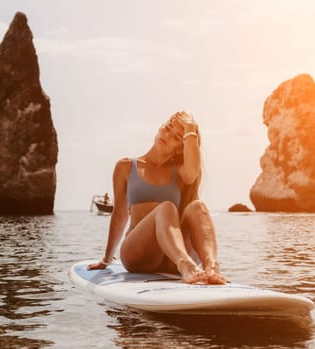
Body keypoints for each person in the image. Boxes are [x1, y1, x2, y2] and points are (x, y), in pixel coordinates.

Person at [88, 111, 227, 284]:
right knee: (166, 207)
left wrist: (190, 128)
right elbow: (120, 215)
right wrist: (106, 259)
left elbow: (193, 171)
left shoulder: (181, 172)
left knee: (198, 206)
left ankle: (212, 268)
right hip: (139, 253)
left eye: (176, 137)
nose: (167, 135)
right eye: (168, 128)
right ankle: (185, 265)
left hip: (172, 257)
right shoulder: (126, 166)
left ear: (180, 149)